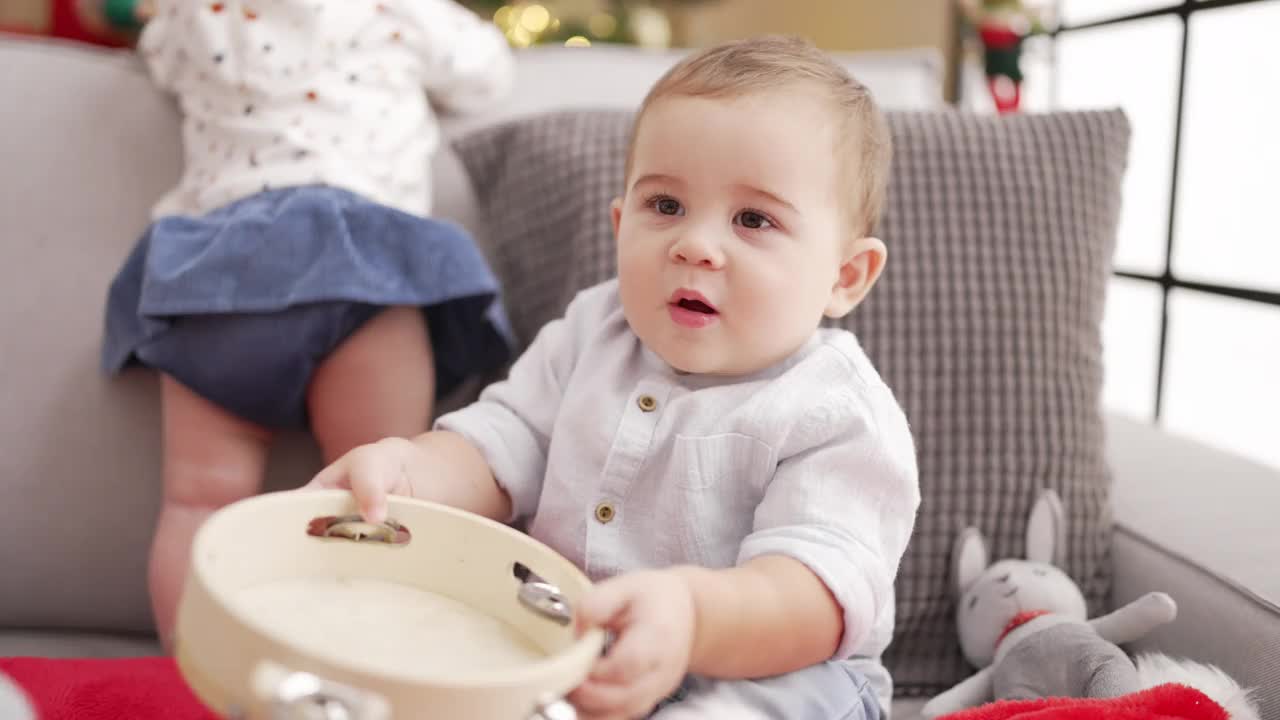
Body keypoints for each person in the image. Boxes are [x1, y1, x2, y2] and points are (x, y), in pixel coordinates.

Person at [308, 35, 920, 720]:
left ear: (845, 277)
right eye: (666, 206)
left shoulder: (836, 409)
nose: (694, 244)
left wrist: (690, 616)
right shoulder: (593, 329)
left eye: (754, 219)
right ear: (620, 224)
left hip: (784, 676)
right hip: (572, 650)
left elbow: (808, 597)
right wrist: (410, 472)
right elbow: (501, 444)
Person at [101, 0, 516, 646]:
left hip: (224, 271)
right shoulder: (399, 11)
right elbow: (488, 72)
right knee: (379, 497)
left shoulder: (196, 14)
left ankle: (190, 675)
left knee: (200, 502)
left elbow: (154, 49)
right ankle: (356, 663)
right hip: (361, 268)